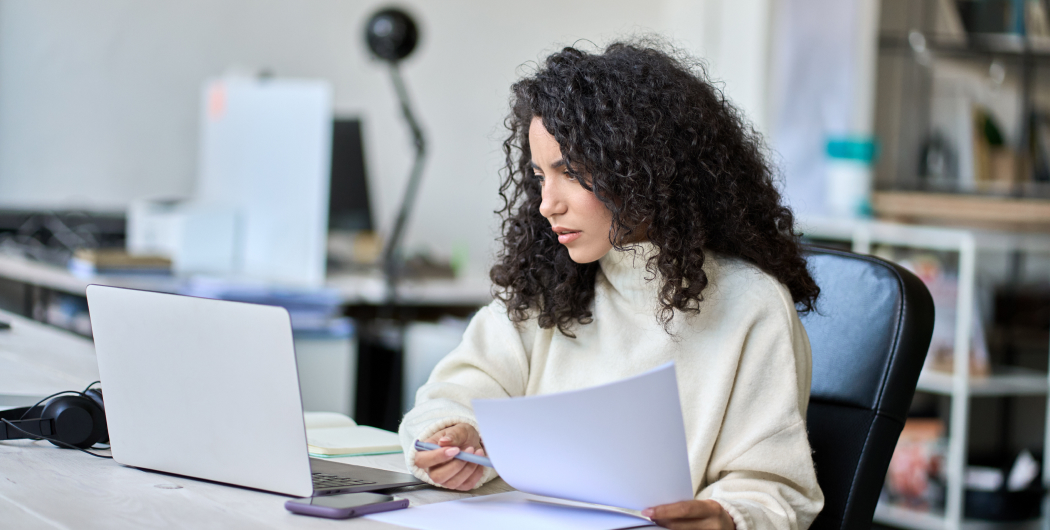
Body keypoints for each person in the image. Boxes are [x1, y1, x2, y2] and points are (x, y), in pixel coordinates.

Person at [399, 40, 825, 530]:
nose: (547, 204)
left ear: (647, 170)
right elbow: (455, 389)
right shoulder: (549, 282)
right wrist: (456, 432)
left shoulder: (751, 306)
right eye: (540, 177)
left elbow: (775, 489)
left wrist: (727, 517)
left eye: (572, 173)